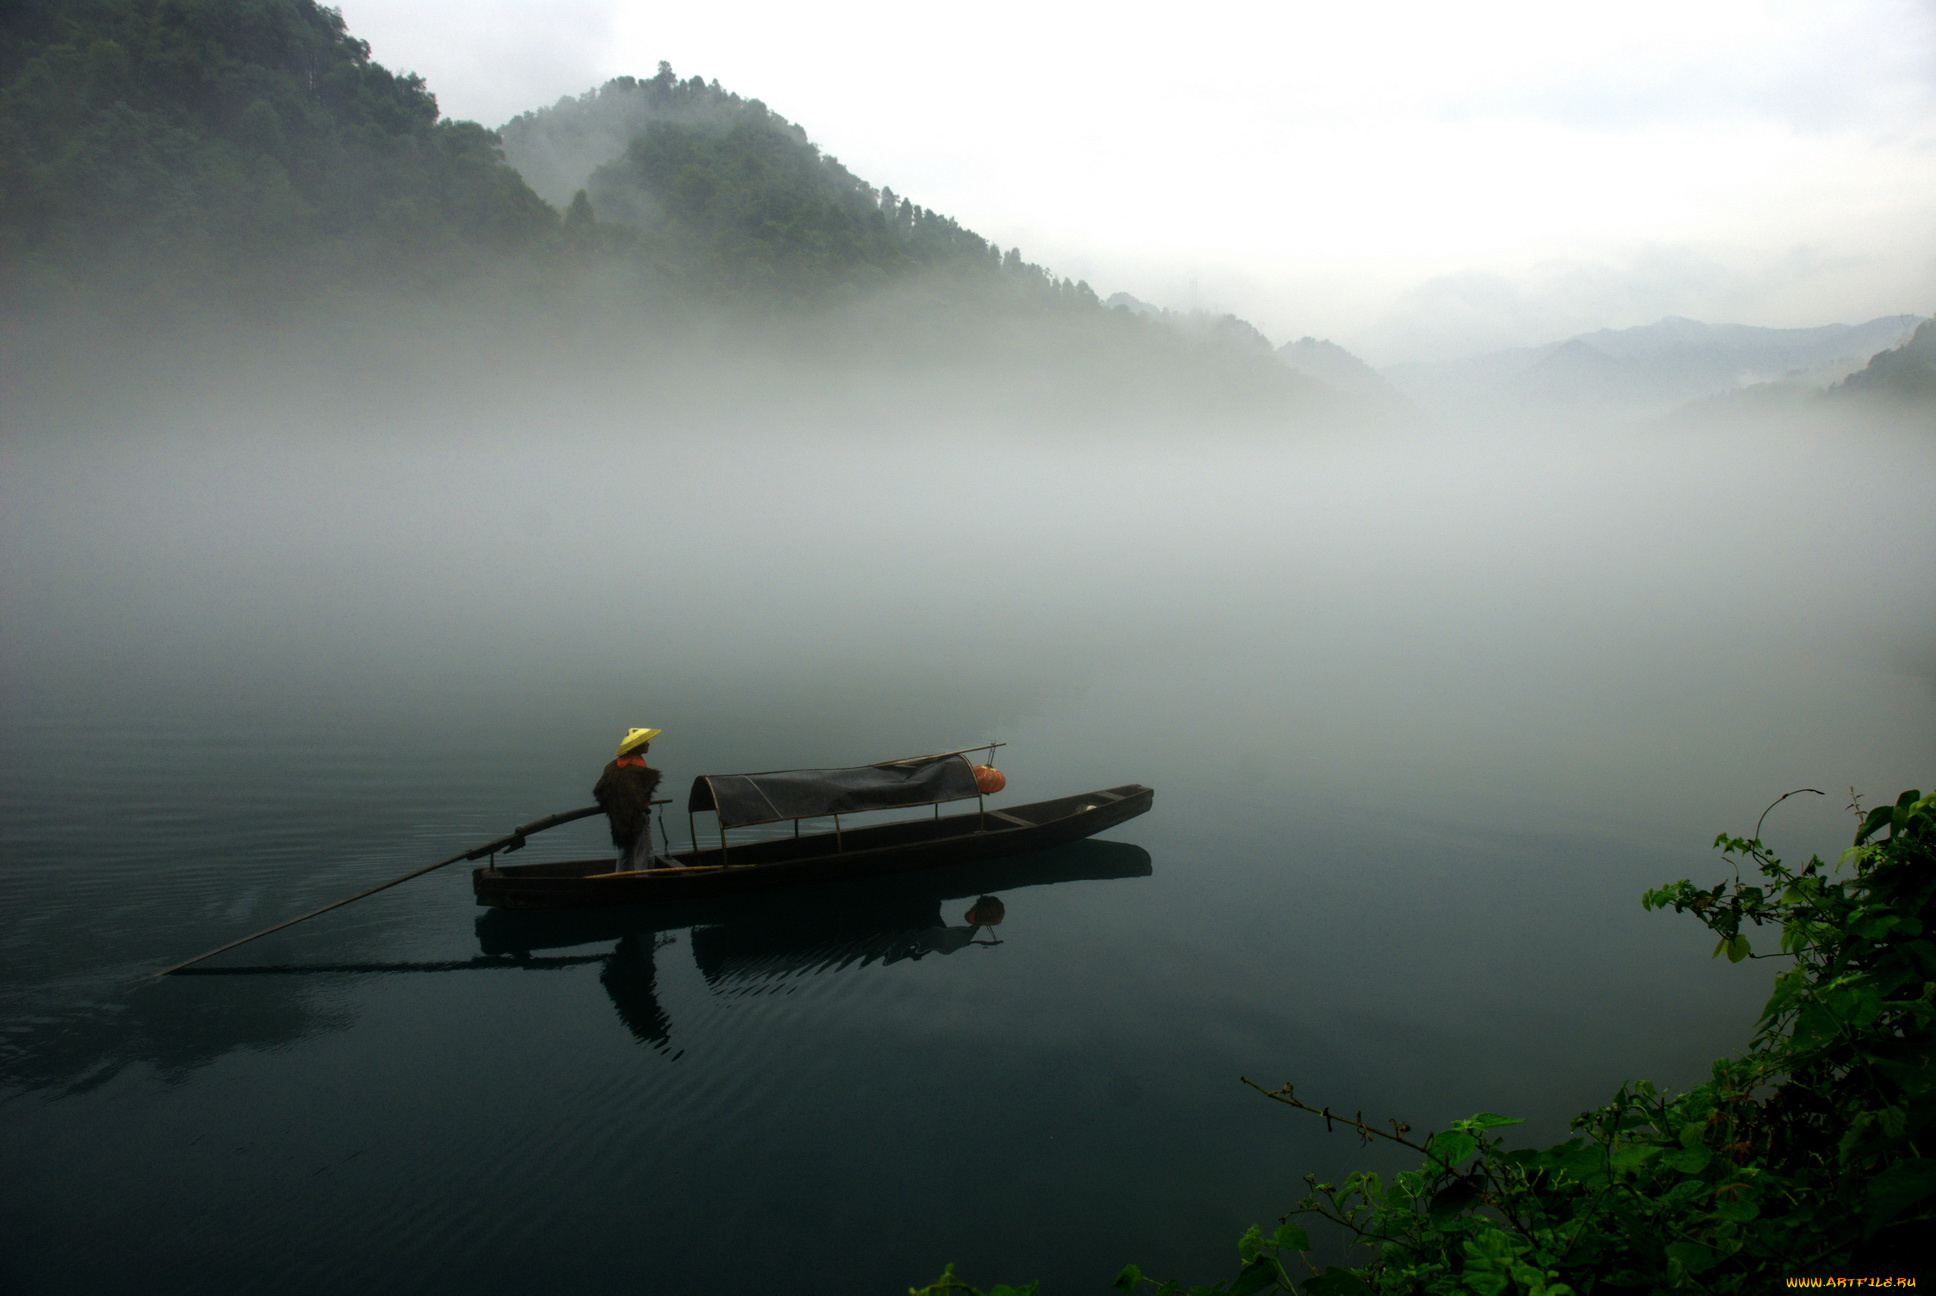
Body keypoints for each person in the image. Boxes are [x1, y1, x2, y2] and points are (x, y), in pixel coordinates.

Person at [595, 727, 664, 871]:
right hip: (636, 817)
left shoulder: (614, 765)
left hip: (619, 818)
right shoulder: (638, 765)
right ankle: (641, 885)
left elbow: (601, 791)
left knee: (624, 852)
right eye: (646, 742)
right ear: (638, 746)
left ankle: (621, 882)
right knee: (643, 854)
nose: (648, 744)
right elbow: (641, 795)